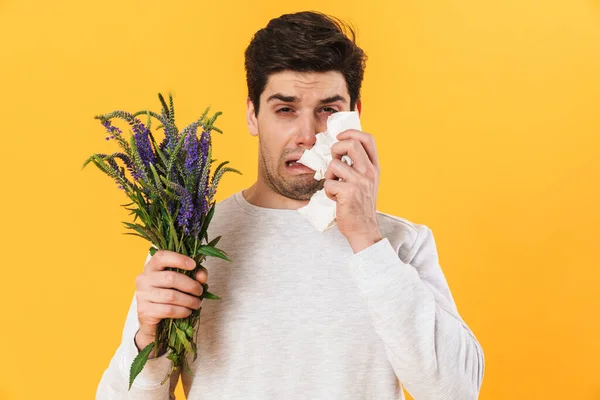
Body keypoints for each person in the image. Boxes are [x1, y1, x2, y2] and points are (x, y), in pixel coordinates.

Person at [96, 10, 484, 400]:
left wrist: (367, 237)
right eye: (285, 109)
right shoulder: (189, 245)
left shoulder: (399, 244)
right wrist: (147, 340)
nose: (307, 135)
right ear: (253, 115)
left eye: (327, 111)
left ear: (354, 117)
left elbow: (456, 391)